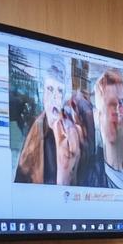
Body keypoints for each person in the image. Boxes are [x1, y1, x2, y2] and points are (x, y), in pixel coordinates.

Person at [13, 58, 92, 186]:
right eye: (50, 89)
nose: (54, 97)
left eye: (59, 91)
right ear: (43, 94)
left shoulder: (74, 132)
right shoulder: (33, 132)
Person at [75, 68, 123, 190]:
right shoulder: (87, 178)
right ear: (98, 117)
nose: (117, 110)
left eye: (121, 103)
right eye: (110, 104)